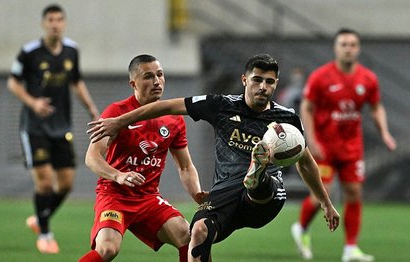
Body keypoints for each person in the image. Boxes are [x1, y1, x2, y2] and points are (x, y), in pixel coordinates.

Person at [87, 54, 340, 262]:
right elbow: (163, 107)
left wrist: (325, 202)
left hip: (265, 197)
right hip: (214, 190)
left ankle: (258, 173)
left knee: (260, 185)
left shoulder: (287, 119)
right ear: (244, 80)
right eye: (257, 80)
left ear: (275, 84)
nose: (263, 86)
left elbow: (306, 162)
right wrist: (120, 125)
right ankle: (256, 172)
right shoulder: (221, 105)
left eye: (270, 82)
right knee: (195, 233)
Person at [78, 54, 204, 262]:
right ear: (133, 83)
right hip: (115, 196)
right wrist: (118, 176)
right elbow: (92, 157)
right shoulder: (117, 112)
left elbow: (185, 167)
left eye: (160, 75)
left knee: (188, 236)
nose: (156, 81)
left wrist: (197, 194)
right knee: (108, 249)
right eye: (148, 76)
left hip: (148, 198)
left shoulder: (174, 119)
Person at [291, 28, 397, 262]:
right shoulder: (320, 77)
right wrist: (312, 139)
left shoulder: (368, 78)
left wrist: (385, 133)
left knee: (354, 192)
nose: (348, 48)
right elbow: (306, 108)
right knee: (324, 192)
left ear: (358, 49)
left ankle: (350, 249)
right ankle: (301, 227)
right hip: (324, 147)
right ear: (336, 48)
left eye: (352, 45)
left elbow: (376, 106)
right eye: (344, 44)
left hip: (351, 147)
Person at [7, 4, 99, 254]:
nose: (55, 23)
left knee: (66, 184)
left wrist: (91, 107)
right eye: (50, 19)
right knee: (45, 184)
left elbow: (76, 81)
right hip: (34, 127)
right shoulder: (30, 52)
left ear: (64, 23)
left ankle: (39, 219)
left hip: (61, 127)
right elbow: (13, 83)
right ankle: (45, 234)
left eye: (59, 19)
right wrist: (33, 102)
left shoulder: (71, 50)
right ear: (43, 23)